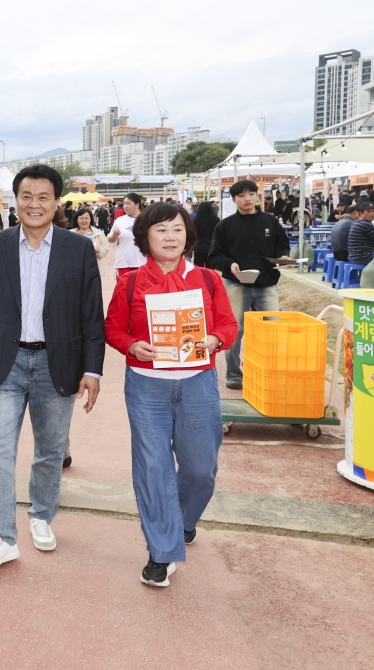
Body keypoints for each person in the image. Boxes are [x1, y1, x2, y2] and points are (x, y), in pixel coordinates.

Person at [0, 165, 104, 570]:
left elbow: (91, 317)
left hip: (56, 363)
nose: (34, 204)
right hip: (3, 363)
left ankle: (41, 515)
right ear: (16, 200)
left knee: (49, 449)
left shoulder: (77, 249)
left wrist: (92, 371)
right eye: (27, 196)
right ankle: (1, 536)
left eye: (43, 197)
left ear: (56, 202)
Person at [104, 202, 238, 587]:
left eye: (177, 229)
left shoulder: (209, 279)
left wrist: (215, 338)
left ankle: (182, 520)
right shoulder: (129, 282)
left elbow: (229, 325)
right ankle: (161, 552)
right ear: (145, 236)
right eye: (160, 230)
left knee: (200, 469)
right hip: (147, 386)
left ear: (188, 236)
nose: (169, 237)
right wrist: (132, 346)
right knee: (153, 466)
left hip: (198, 383)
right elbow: (113, 329)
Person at [206, 179, 290, 391]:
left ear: (257, 196)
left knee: (272, 329)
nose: (247, 199)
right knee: (234, 330)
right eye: (241, 196)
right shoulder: (225, 225)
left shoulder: (270, 222)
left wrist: (282, 257)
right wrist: (230, 264)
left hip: (267, 285)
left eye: (250, 194)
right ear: (233, 200)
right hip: (237, 285)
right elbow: (214, 256)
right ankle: (234, 373)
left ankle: (269, 369)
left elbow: (282, 244)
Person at [108, 193, 144, 282]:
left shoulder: (147, 219)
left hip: (143, 262)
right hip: (124, 263)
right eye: (124, 204)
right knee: (124, 292)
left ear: (137, 204)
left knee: (142, 293)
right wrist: (115, 235)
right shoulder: (120, 220)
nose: (125, 206)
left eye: (128, 203)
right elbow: (111, 241)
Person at [346, 202, 374, 266]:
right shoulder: (365, 224)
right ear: (361, 213)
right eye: (368, 211)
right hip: (363, 257)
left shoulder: (356, 222)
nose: (372, 213)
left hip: (353, 256)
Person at [192, 201, 219, 268]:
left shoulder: (196, 221)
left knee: (198, 269)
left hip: (199, 248)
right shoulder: (216, 220)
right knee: (210, 270)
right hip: (212, 248)